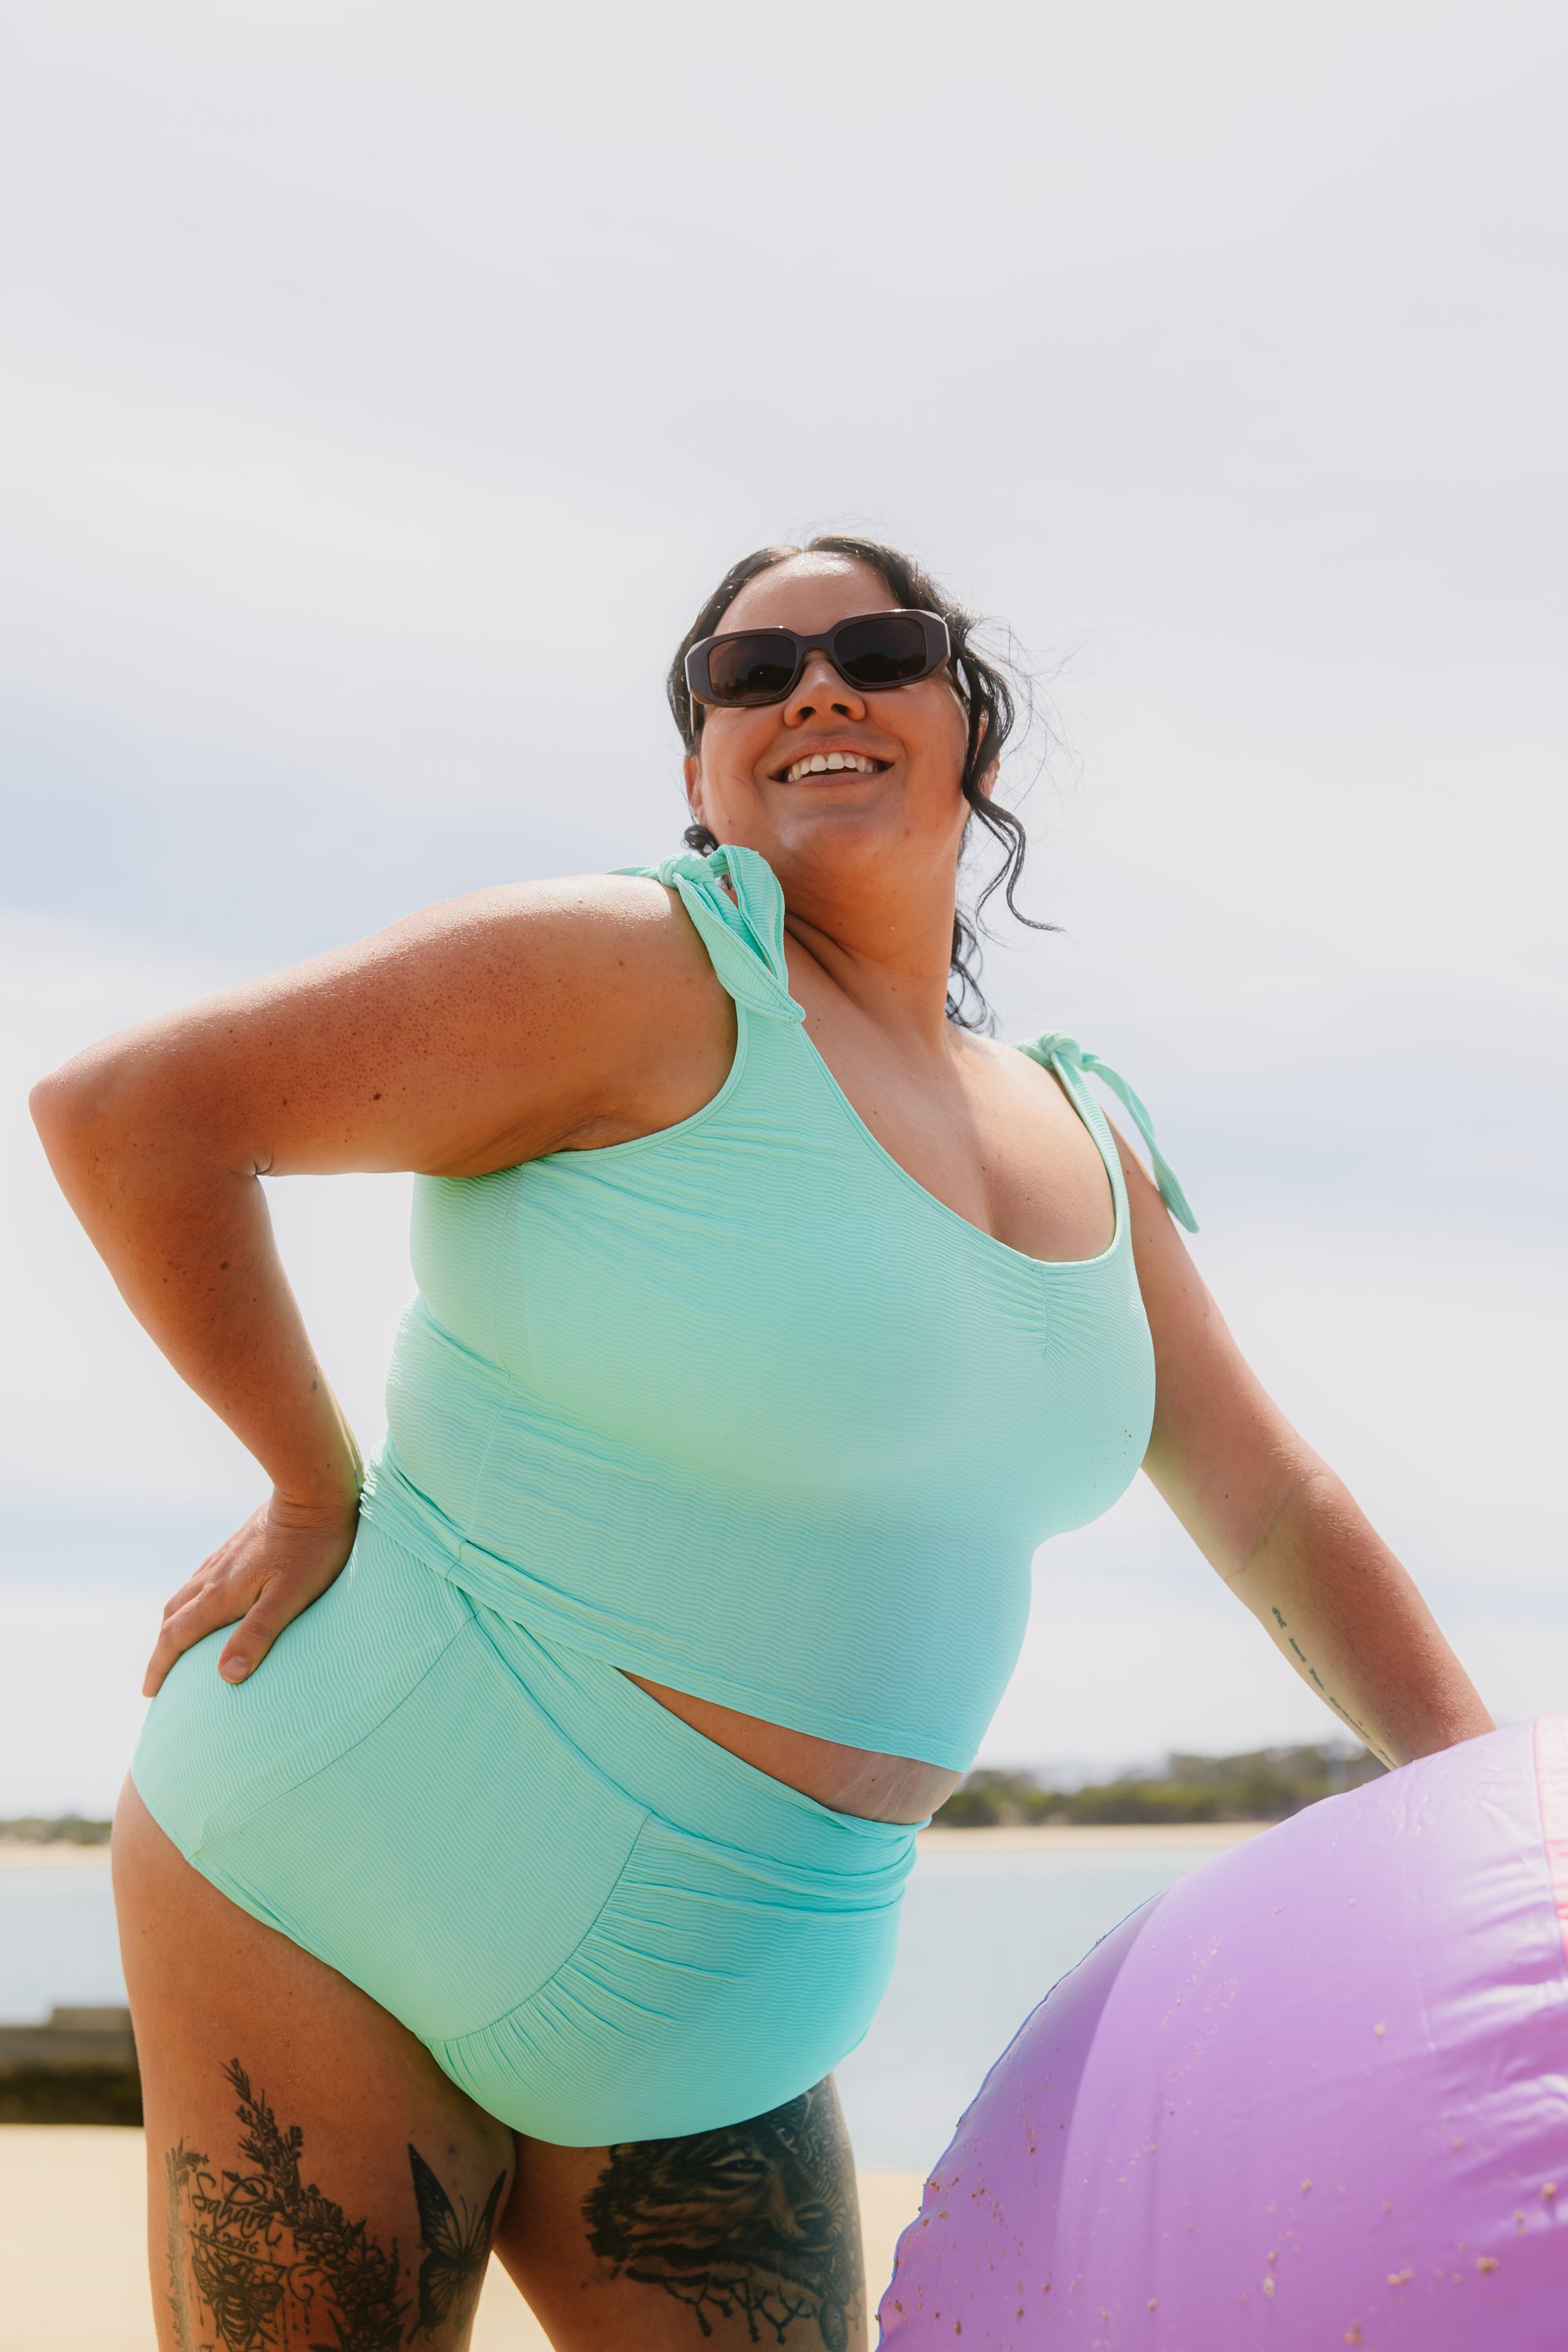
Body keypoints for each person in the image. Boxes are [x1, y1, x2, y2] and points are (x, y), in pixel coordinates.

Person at [31, 534, 1492, 2352]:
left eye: (876, 649)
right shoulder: (638, 965)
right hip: (360, 1852)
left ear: (967, 722)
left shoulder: (1085, 1134)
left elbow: (1271, 1505)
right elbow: (133, 1117)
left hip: (737, 2000)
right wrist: (306, 1479)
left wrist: (1491, 1818)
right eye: (748, 670)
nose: (814, 685)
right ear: (703, 764)